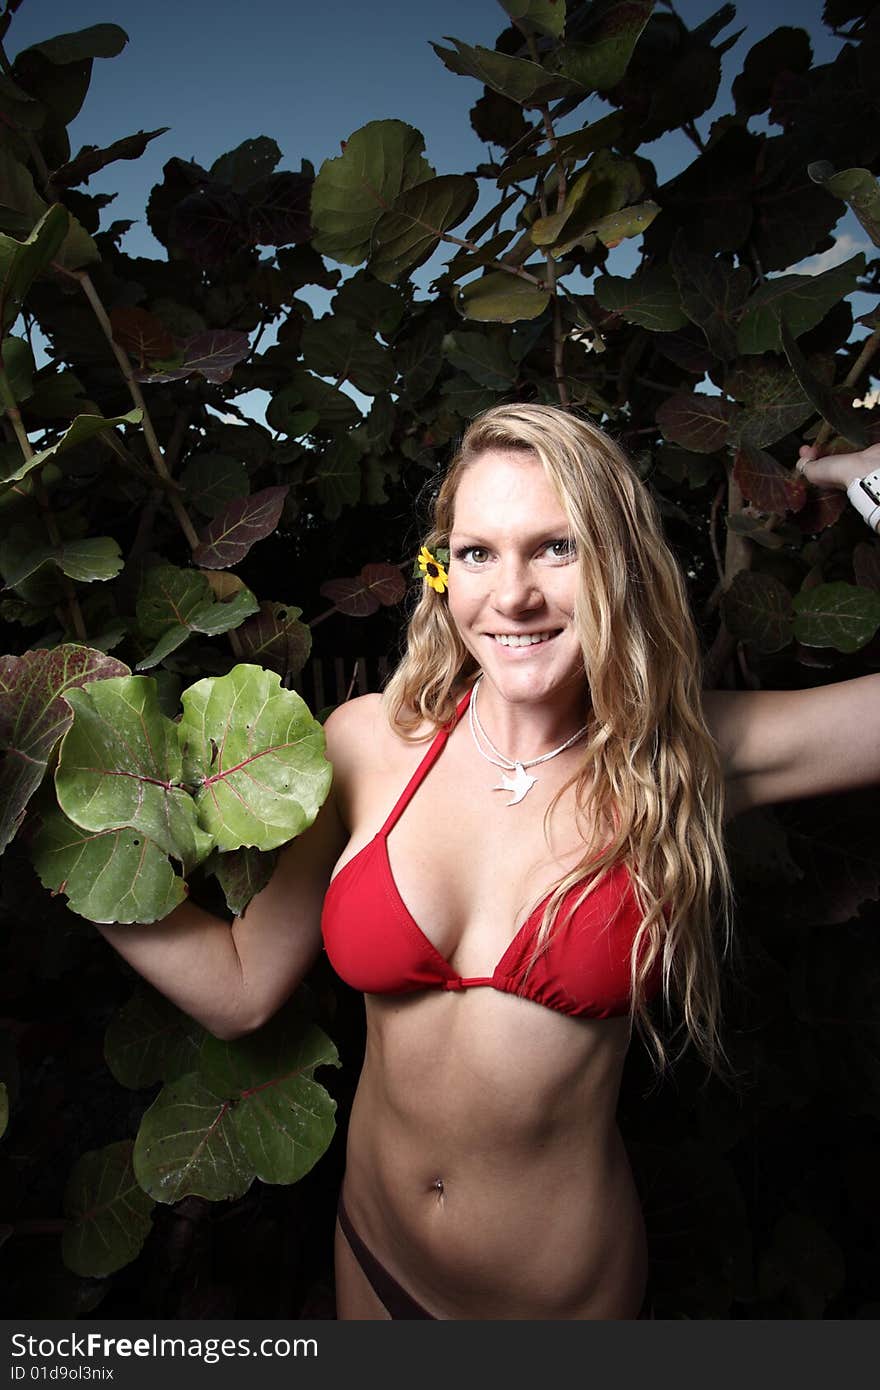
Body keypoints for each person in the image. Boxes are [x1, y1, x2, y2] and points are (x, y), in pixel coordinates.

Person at [97, 407, 880, 1319]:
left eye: (556, 548)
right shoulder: (364, 744)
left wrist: (863, 477)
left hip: (560, 1304)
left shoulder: (691, 752)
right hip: (374, 1258)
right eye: (477, 553)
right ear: (443, 572)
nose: (511, 597)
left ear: (618, 563)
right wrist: (76, 852)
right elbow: (239, 989)